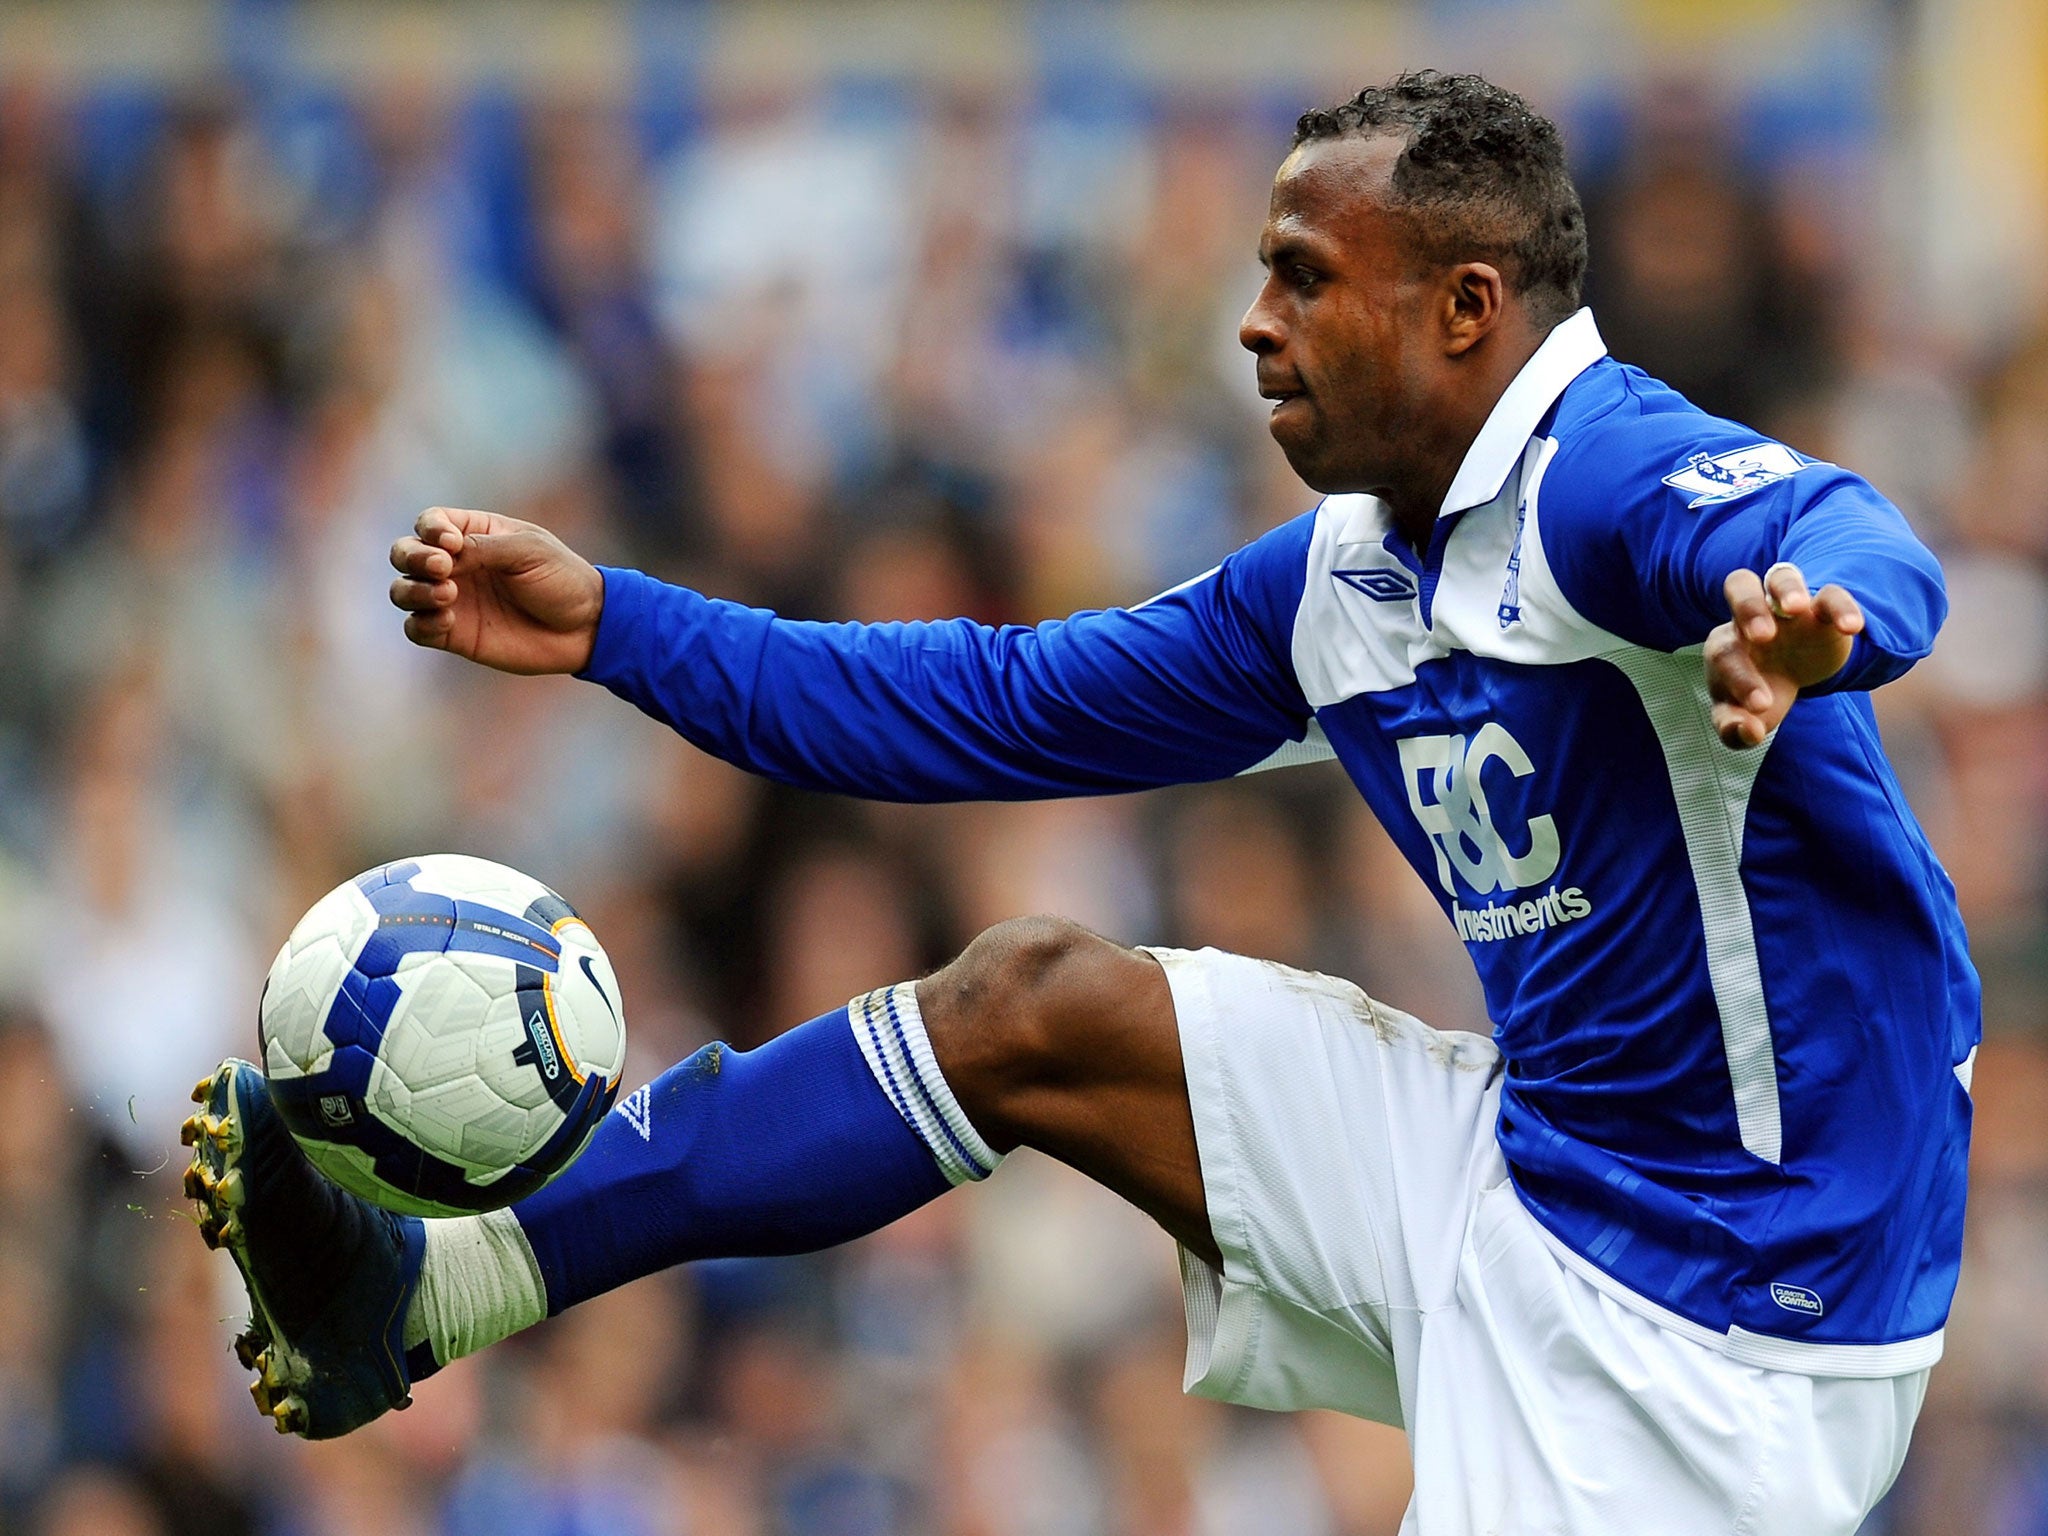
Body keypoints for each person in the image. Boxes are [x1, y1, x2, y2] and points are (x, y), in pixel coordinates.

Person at [185, 71, 1972, 1534]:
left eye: (1302, 275)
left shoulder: (1602, 480)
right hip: (1541, 1169)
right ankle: (424, 1297)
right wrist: (621, 626)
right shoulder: (1341, 582)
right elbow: (981, 705)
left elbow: (1849, 533)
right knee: (1029, 1012)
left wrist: (1821, 628)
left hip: (1733, 1322)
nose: (1255, 326)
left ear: (1465, 308)